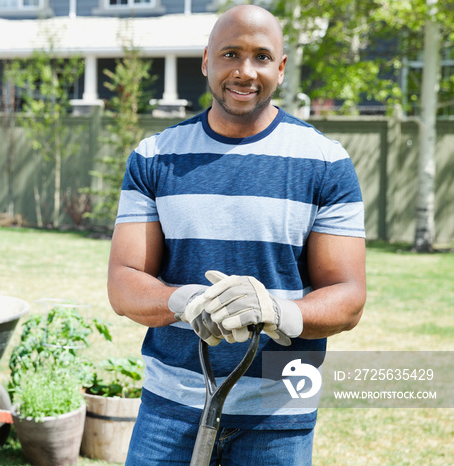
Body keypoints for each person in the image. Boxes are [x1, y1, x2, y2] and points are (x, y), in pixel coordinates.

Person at [107, 4, 366, 465]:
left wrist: (280, 312)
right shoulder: (153, 157)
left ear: (281, 68)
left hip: (278, 417)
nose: (245, 72)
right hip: (169, 413)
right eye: (231, 54)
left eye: (262, 57)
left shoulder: (326, 163)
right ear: (207, 61)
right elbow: (125, 283)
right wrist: (184, 300)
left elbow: (348, 296)